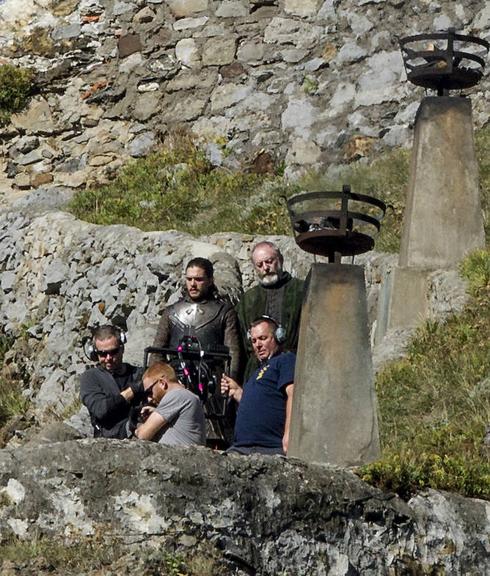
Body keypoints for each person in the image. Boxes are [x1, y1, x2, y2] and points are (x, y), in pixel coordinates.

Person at [152, 257, 241, 447]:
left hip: (211, 383)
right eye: (189, 278)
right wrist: (159, 384)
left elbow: (233, 353)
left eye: (199, 279)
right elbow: (158, 352)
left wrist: (227, 383)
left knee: (214, 436)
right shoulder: (171, 312)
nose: (193, 284)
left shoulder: (224, 312)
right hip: (176, 380)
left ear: (210, 280)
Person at [221, 317, 295, 455]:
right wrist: (237, 391)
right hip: (241, 447)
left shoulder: (285, 360)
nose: (258, 345)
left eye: (263, 338)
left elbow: (293, 394)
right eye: (254, 341)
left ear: (278, 337)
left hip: (268, 447)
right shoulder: (257, 372)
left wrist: (289, 434)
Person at [237, 241, 304, 380]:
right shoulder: (248, 300)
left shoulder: (301, 290)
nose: (265, 268)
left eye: (269, 261)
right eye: (259, 265)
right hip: (257, 371)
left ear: (280, 259)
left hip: (295, 367)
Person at [80, 325, 143, 439]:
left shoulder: (138, 373)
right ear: (95, 354)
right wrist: (131, 391)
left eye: (113, 352)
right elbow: (100, 410)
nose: (108, 358)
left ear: (122, 348)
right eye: (102, 354)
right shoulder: (90, 377)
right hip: (111, 440)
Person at [133, 361, 206, 447]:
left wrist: (136, 427)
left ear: (162, 383)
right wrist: (156, 411)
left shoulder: (176, 395)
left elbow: (143, 435)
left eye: (149, 391)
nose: (149, 398)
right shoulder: (185, 396)